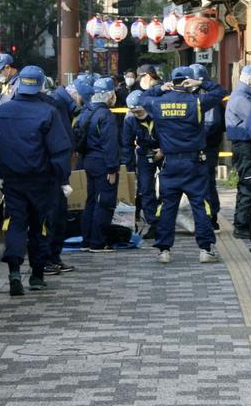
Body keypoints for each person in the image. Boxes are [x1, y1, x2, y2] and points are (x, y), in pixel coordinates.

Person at [0, 66, 72, 296]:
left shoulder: (2, 112)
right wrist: (63, 179)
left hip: (12, 180)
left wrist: (2, 174)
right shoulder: (48, 112)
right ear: (40, 85)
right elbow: (59, 150)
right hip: (41, 180)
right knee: (39, 226)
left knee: (15, 224)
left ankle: (14, 271)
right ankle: (36, 275)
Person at [140, 66, 226, 264]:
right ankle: (205, 249)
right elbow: (220, 92)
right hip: (194, 163)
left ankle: (164, 250)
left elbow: (141, 99)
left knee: (167, 206)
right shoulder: (196, 102)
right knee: (200, 206)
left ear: (172, 81)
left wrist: (160, 88)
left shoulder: (158, 102)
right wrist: (202, 83)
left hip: (169, 163)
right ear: (188, 81)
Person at [80, 76, 120, 253]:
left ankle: (86, 240)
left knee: (91, 200)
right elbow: (110, 144)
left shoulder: (87, 111)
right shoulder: (106, 115)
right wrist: (112, 168)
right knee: (104, 202)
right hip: (103, 162)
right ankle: (98, 242)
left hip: (88, 160)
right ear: (109, 95)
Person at [188, 64, 229, 233]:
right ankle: (206, 216)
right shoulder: (198, 94)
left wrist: (194, 138)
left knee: (206, 183)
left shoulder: (206, 97)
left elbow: (211, 123)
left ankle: (211, 218)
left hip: (206, 147)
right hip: (202, 146)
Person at [42, 84, 78, 275]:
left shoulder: (52, 106)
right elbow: (61, 145)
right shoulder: (55, 108)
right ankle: (48, 260)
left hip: (41, 174)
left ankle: (51, 259)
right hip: (50, 175)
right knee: (52, 218)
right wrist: (63, 177)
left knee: (54, 218)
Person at [225, 65, 251, 239]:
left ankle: (242, 223)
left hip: (244, 147)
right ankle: (242, 226)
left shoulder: (243, 96)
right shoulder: (241, 99)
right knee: (248, 185)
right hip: (246, 147)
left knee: (247, 185)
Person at [122, 89, 161, 239]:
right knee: (145, 189)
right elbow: (127, 145)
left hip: (165, 151)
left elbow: (170, 134)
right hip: (145, 153)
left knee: (167, 189)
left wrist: (163, 151)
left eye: (139, 111)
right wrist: (127, 169)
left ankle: (165, 220)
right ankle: (153, 223)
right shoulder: (130, 120)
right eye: (134, 112)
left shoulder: (158, 114)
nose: (137, 114)